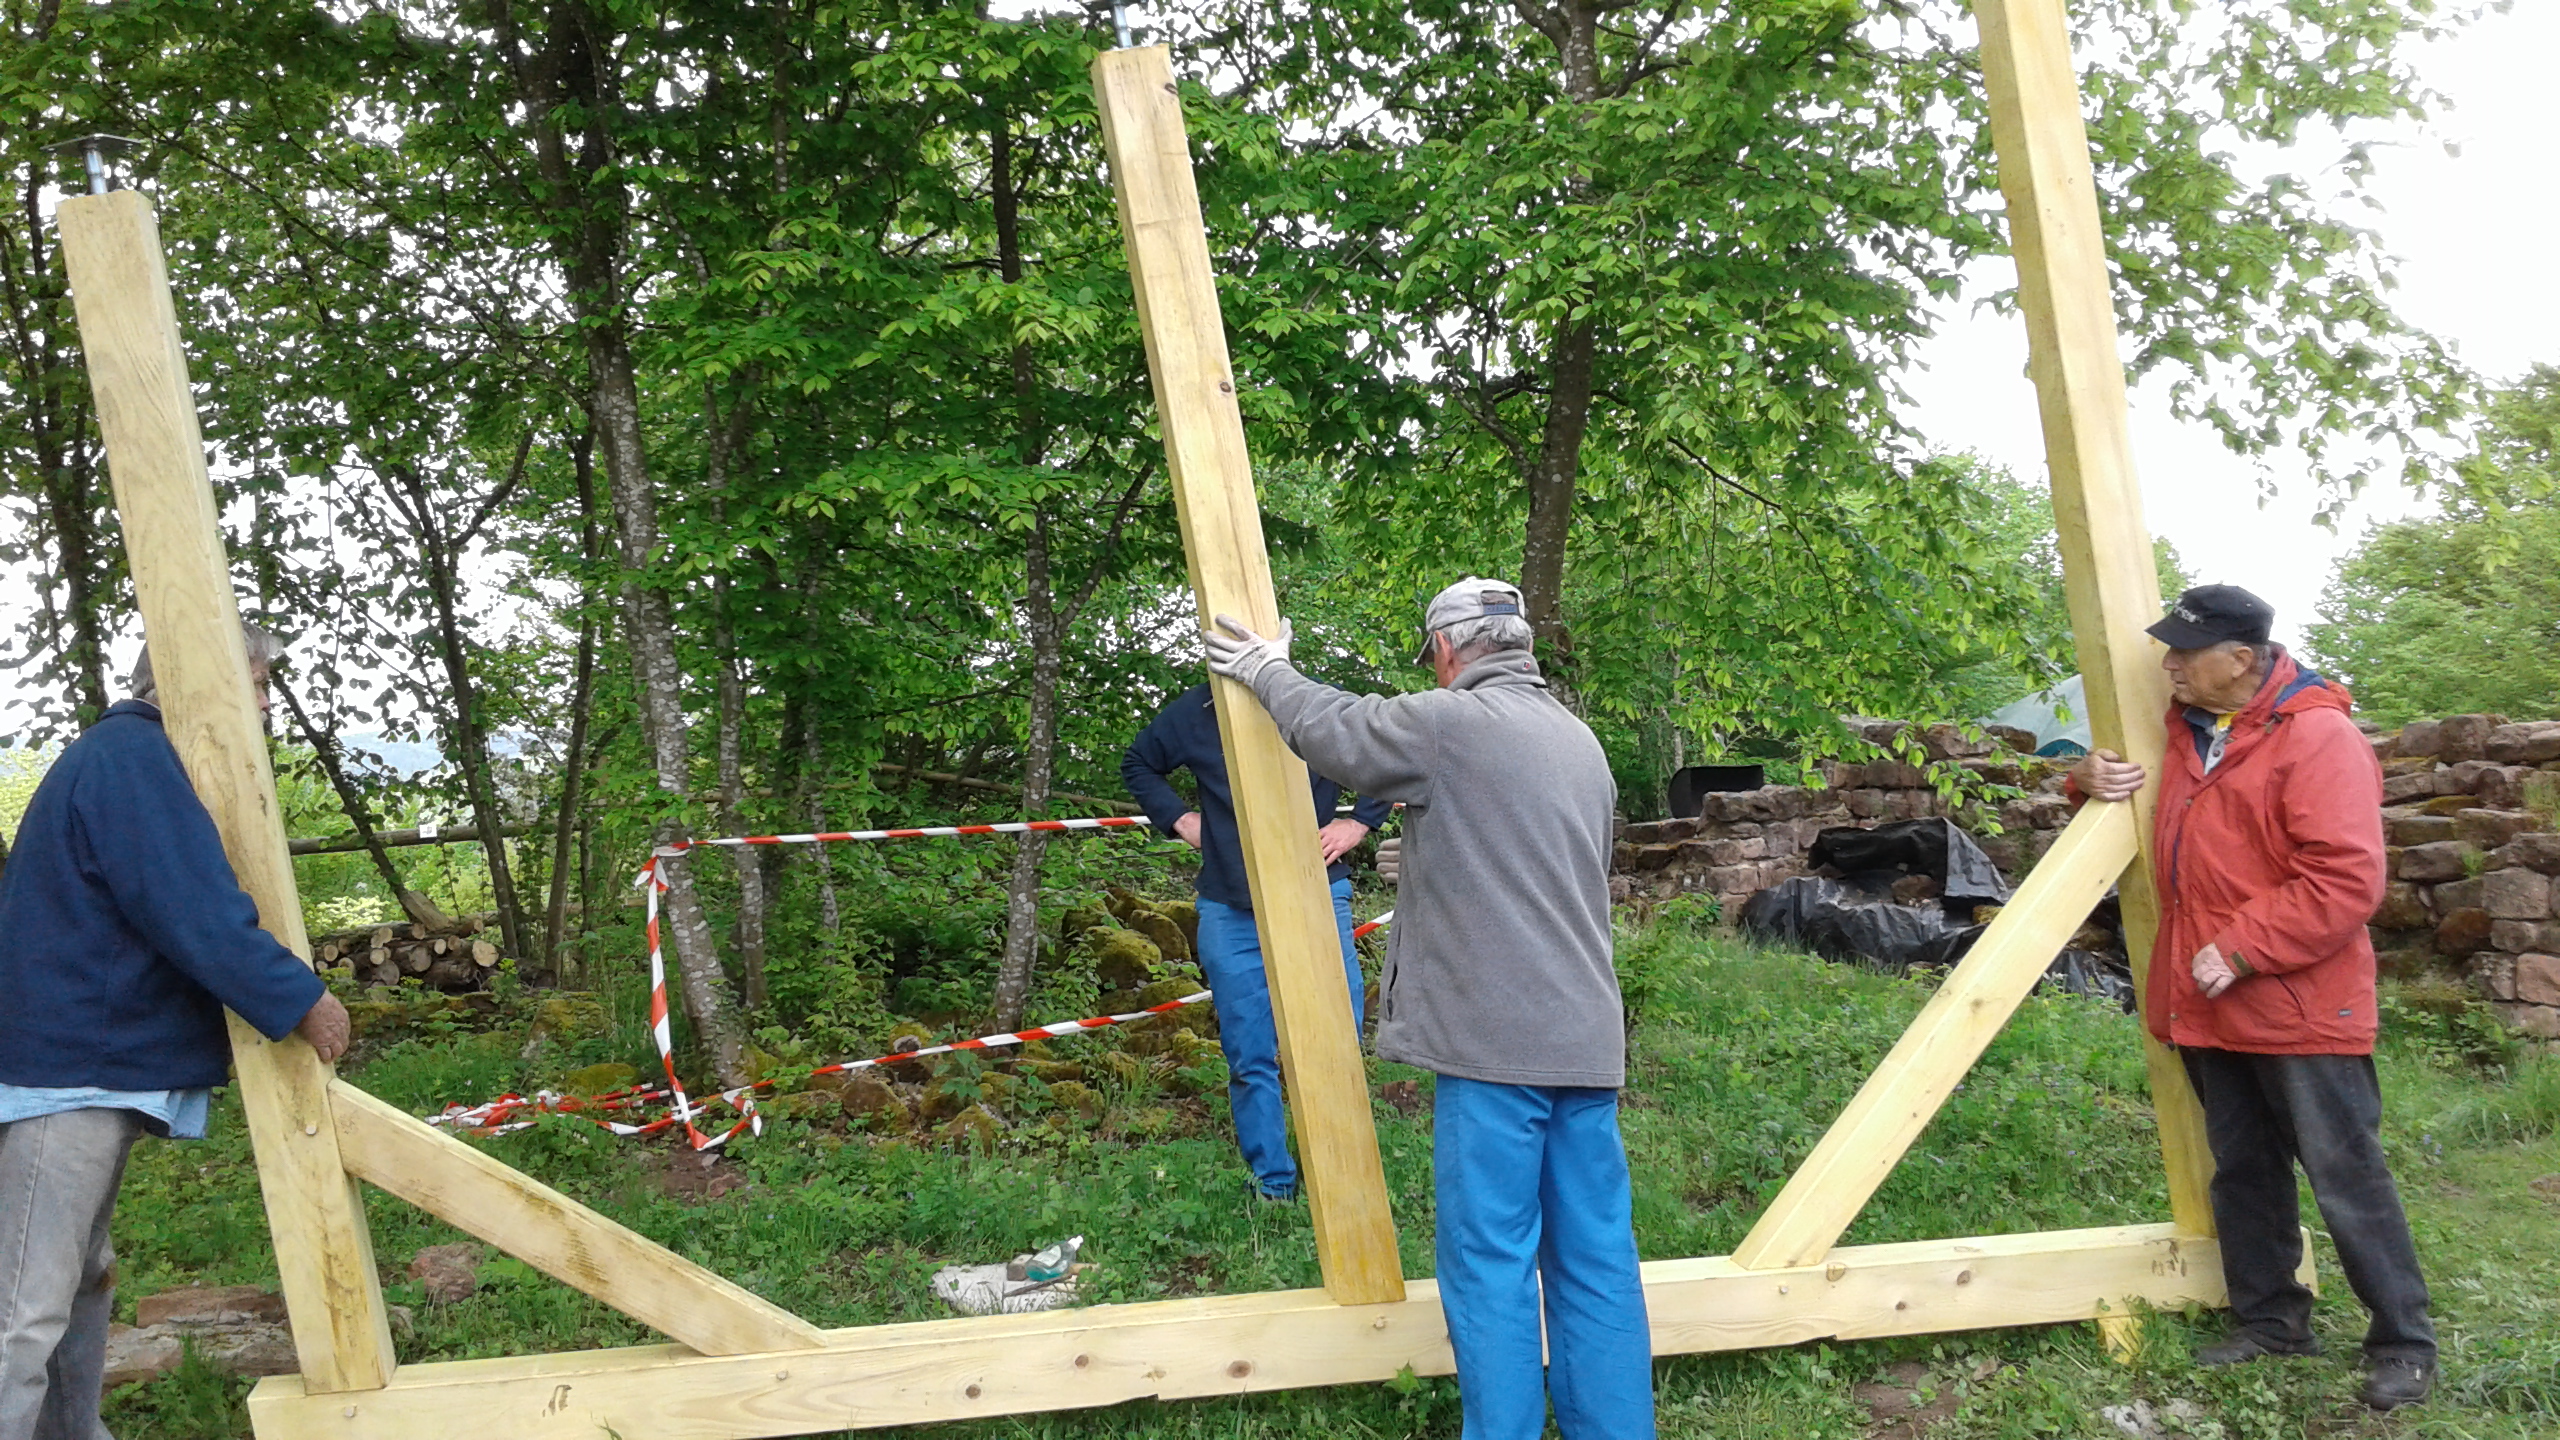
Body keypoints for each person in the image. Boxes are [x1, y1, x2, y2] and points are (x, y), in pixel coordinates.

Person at [1203, 579, 1652, 1440]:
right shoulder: (1580, 742)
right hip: (1587, 1040)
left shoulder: (1452, 725)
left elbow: (1338, 729)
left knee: (1490, 1264)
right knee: (1597, 1260)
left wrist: (1266, 669)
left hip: (1495, 1047)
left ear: (1446, 651)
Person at [2071, 584, 2434, 1411]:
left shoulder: (2320, 738)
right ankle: (2272, 1323)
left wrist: (2242, 947)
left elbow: (2345, 879)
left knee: (2346, 1176)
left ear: (2242, 658)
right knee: (2242, 1171)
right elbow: (2139, 809)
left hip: (2300, 1003)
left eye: (2185, 651)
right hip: (2208, 1001)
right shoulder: (2186, 731)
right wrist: (2081, 780)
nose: (2169, 664)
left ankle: (2404, 1343)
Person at [0, 628, 352, 1440]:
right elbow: (190, 909)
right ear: (191, 680)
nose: (265, 704)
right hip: (66, 1072)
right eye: (254, 682)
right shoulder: (132, 760)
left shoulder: (129, 757)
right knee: (25, 1303)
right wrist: (302, 999)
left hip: (81, 1065)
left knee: (78, 1280)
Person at [1121, 682, 1392, 1201]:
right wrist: (1179, 818)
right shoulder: (1199, 709)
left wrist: (1360, 822)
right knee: (1250, 1053)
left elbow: (1383, 752)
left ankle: (1341, 1177)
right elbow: (1139, 763)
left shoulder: (1313, 701)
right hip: (1231, 905)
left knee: (1338, 1036)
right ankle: (1274, 1182)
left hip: (1316, 892)